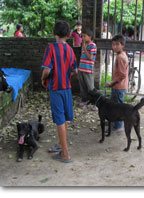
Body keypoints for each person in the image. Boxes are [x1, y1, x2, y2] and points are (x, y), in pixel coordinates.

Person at [41, 20, 78, 163]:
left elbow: (46, 70)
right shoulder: (70, 49)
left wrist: (43, 79)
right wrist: (66, 75)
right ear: (68, 34)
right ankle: (61, 145)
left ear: (53, 32)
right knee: (64, 119)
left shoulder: (51, 48)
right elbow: (75, 70)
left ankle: (65, 154)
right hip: (67, 89)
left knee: (59, 120)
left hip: (56, 88)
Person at [106, 35, 129, 133]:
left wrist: (112, 83)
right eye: (113, 44)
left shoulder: (120, 57)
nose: (114, 46)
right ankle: (114, 121)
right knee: (114, 105)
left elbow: (122, 75)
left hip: (118, 87)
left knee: (118, 107)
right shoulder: (122, 55)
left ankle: (119, 126)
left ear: (122, 45)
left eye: (117, 44)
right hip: (119, 86)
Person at [78, 29, 97, 110]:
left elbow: (90, 57)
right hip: (81, 69)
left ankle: (95, 103)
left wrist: (85, 48)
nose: (83, 38)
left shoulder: (93, 45)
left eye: (84, 36)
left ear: (90, 37)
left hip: (88, 70)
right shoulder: (84, 45)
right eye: (82, 36)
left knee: (91, 88)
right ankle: (85, 102)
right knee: (83, 87)